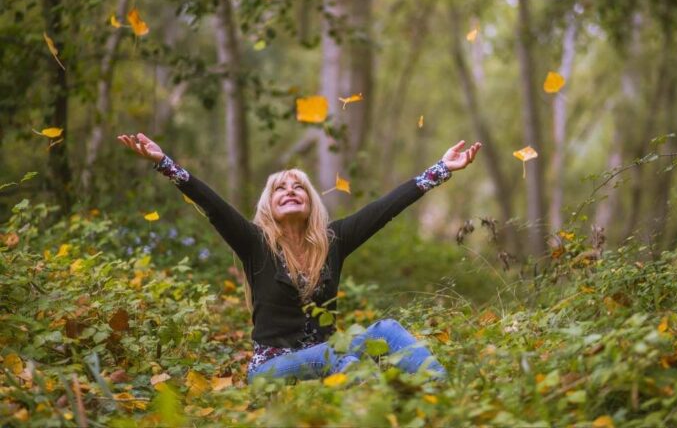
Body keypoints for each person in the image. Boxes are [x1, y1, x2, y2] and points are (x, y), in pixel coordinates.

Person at [117, 132, 481, 383]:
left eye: (298, 187)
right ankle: (363, 390)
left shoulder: (333, 241)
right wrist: (164, 162)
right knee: (341, 358)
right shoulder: (254, 243)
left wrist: (442, 168)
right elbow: (212, 205)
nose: (290, 191)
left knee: (383, 332)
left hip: (330, 353)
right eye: (280, 188)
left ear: (310, 203)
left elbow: (385, 207)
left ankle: (443, 392)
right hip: (272, 368)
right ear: (268, 205)